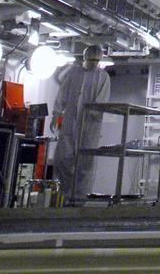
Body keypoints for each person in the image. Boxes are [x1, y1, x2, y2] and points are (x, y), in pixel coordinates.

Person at [51, 44, 111, 204]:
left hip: (90, 126)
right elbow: (62, 94)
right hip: (70, 123)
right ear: (85, 58)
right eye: (91, 60)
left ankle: (79, 198)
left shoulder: (103, 77)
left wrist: (93, 115)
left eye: (96, 61)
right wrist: (56, 114)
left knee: (85, 164)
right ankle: (68, 192)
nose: (94, 63)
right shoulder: (74, 74)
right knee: (61, 159)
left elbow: (102, 100)